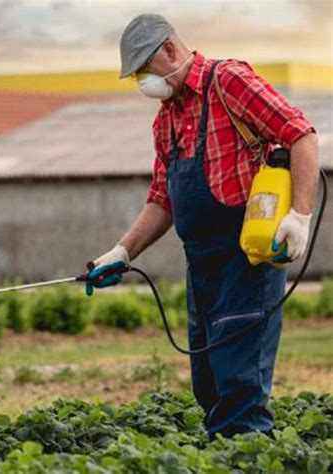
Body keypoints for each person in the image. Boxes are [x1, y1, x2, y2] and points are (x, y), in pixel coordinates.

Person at [85, 14, 319, 440]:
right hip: (202, 267)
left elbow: (301, 135)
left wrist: (299, 216)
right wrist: (122, 252)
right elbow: (162, 198)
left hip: (247, 259)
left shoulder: (228, 82)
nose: (142, 82)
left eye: (143, 69)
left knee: (239, 383)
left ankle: (250, 459)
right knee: (209, 383)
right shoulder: (166, 118)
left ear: (170, 50)